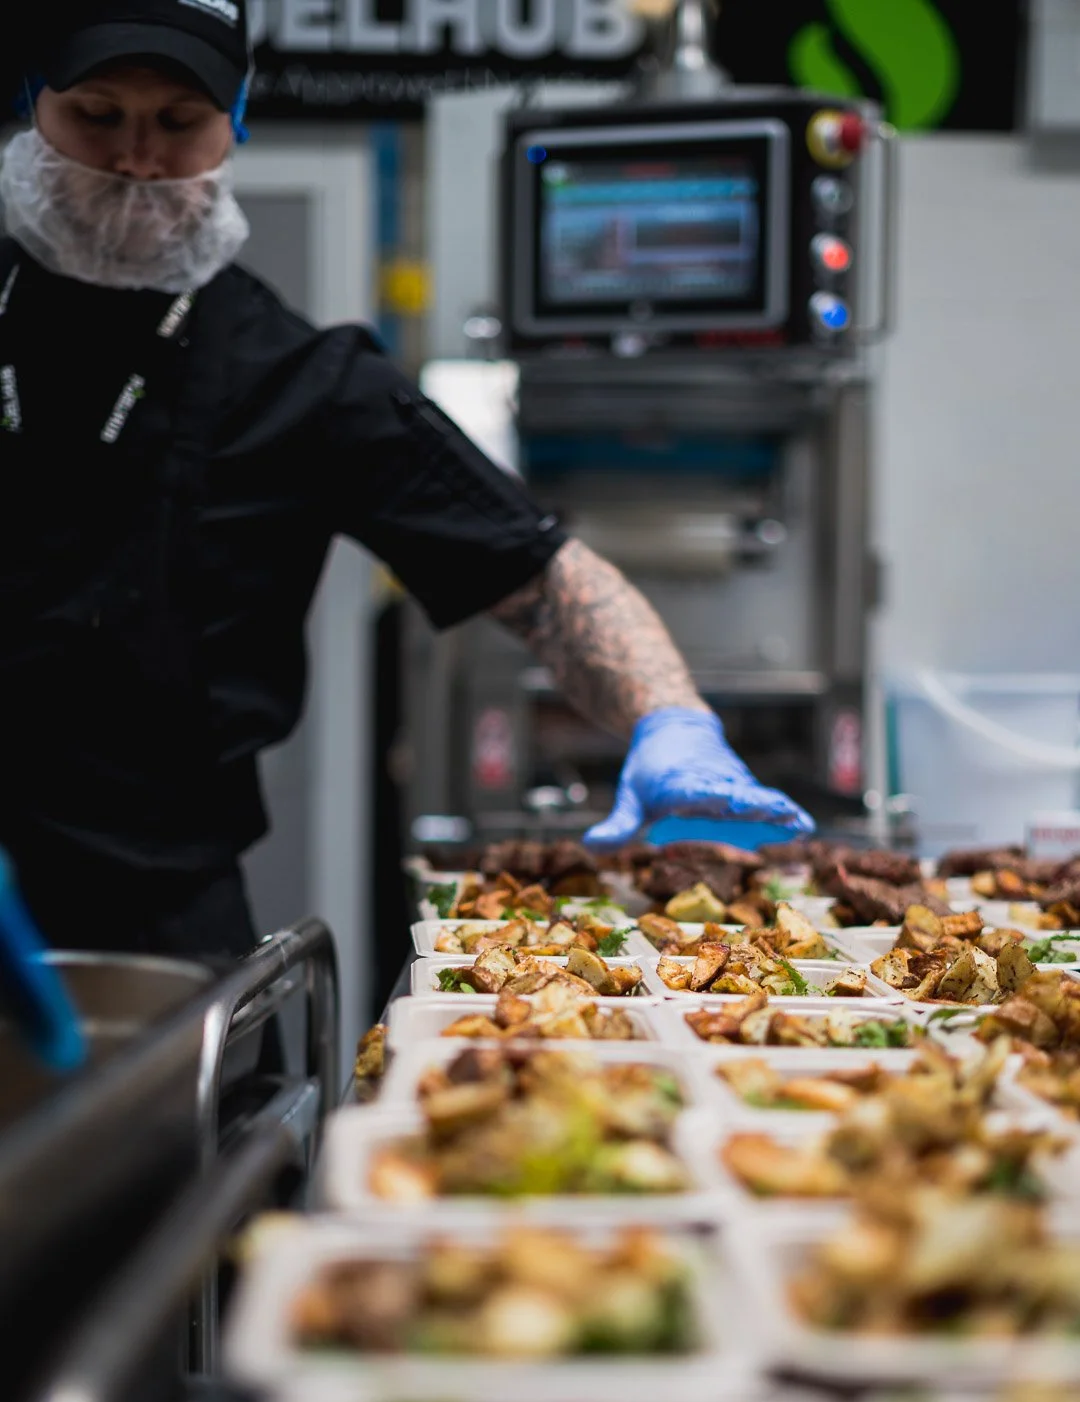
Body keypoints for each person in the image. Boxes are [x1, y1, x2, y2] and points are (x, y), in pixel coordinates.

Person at [0, 0, 813, 964]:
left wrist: (671, 719)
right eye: (98, 114)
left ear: (236, 127)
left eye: (179, 124)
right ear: (32, 107)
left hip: (150, 913)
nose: (136, 159)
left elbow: (542, 575)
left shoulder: (307, 382)